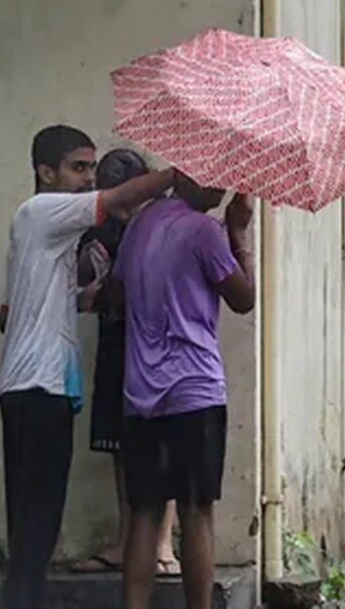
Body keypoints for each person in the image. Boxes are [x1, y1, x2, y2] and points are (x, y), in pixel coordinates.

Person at [0, 125, 174, 609]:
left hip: (24, 385)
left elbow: (6, 316)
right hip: (40, 388)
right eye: (79, 168)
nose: (88, 179)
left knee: (31, 524)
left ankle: (21, 599)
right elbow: (122, 197)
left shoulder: (34, 228)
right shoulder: (45, 209)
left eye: (92, 168)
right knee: (38, 522)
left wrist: (73, 299)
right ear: (45, 172)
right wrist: (182, 173)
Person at [112, 170, 255, 609]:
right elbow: (243, 298)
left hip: (141, 392)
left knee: (145, 511)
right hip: (194, 389)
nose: (219, 189)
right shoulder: (205, 231)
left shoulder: (140, 223)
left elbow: (117, 295)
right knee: (196, 510)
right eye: (211, 180)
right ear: (186, 176)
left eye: (224, 181)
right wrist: (238, 234)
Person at [71, 149, 180, 577]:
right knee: (121, 447)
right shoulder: (100, 231)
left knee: (165, 444)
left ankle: (164, 543)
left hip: (162, 349)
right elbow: (87, 293)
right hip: (119, 344)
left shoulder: (166, 227)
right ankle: (126, 539)